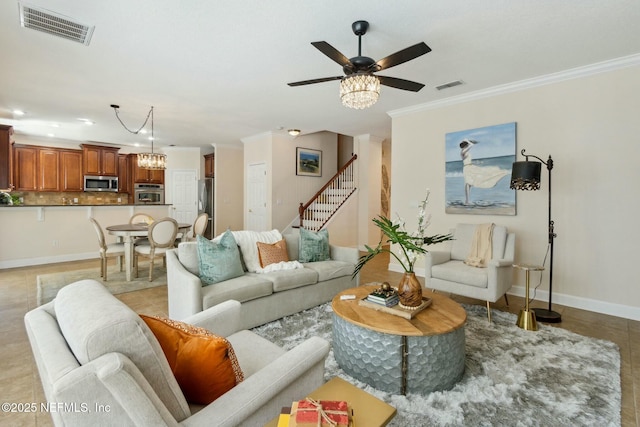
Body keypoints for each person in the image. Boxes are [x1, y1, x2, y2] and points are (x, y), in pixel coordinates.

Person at [459, 139, 510, 205]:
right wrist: (468, 141)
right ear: (465, 146)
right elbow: (471, 145)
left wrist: (476, 162)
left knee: (472, 181)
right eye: (466, 145)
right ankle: (467, 201)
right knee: (468, 183)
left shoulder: (465, 151)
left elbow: (468, 160)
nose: (467, 145)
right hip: (467, 168)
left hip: (469, 166)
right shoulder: (463, 152)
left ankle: (467, 200)